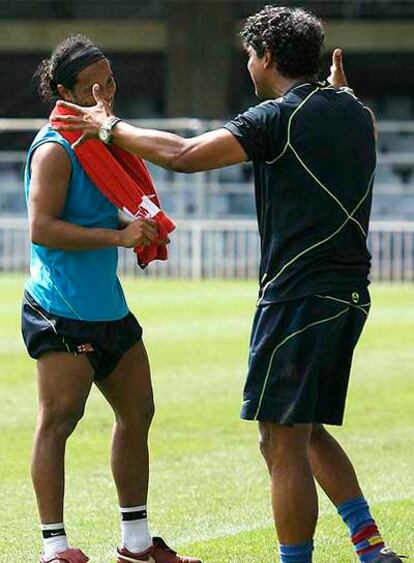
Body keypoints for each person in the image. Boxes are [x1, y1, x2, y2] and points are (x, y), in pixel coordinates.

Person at [53, 7, 406, 563]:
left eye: (249, 53)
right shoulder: (353, 109)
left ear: (265, 57)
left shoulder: (278, 117)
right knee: (305, 428)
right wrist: (337, 96)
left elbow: (185, 156)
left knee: (279, 438)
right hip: (349, 293)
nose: (247, 62)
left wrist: (107, 126)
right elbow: (338, 128)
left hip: (298, 294)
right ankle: (371, 546)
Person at [22, 34, 201, 563]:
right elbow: (42, 228)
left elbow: (96, 213)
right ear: (63, 92)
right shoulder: (56, 147)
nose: (105, 94)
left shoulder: (102, 140)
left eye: (111, 81)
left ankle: (137, 545)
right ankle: (55, 548)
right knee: (59, 422)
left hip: (108, 306)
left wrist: (133, 223)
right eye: (92, 87)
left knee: (139, 411)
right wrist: (118, 237)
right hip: (61, 310)